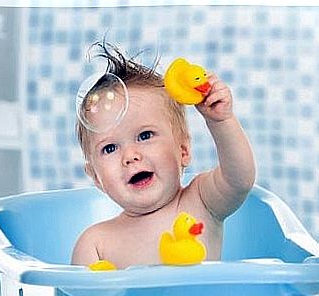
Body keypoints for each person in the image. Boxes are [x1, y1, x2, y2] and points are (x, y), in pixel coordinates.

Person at [72, 42, 256, 269]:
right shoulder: (95, 244)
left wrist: (221, 121)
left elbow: (239, 180)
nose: (130, 156)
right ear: (96, 177)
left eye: (145, 135)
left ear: (183, 150)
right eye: (110, 148)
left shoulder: (202, 202)